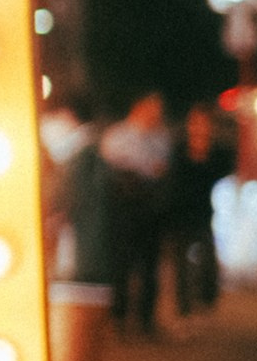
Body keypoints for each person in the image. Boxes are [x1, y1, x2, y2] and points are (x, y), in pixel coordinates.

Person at [42, 92, 119, 361]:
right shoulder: (94, 157)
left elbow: (57, 206)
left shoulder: (79, 159)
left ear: (66, 116)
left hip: (75, 280)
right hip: (94, 279)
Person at [98, 87, 173, 334]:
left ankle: (146, 319)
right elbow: (112, 171)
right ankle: (119, 317)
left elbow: (162, 170)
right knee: (122, 263)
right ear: (139, 107)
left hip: (151, 208)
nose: (157, 115)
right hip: (124, 208)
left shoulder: (161, 139)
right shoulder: (117, 136)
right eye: (153, 109)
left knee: (150, 265)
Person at [163, 101, 232, 317]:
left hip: (206, 213)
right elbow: (172, 181)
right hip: (181, 213)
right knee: (181, 264)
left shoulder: (219, 152)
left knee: (208, 260)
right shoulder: (179, 149)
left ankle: (206, 297)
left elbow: (225, 180)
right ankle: (183, 309)